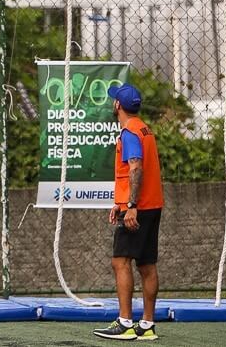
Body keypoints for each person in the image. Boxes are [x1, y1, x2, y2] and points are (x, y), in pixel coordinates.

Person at [94, 83, 164, 342]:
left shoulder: (129, 133)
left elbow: (135, 168)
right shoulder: (144, 129)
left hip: (139, 208)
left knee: (120, 261)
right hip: (152, 205)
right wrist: (120, 202)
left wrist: (130, 206)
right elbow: (131, 173)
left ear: (117, 105)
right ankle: (147, 325)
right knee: (147, 264)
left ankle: (125, 322)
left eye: (114, 100)